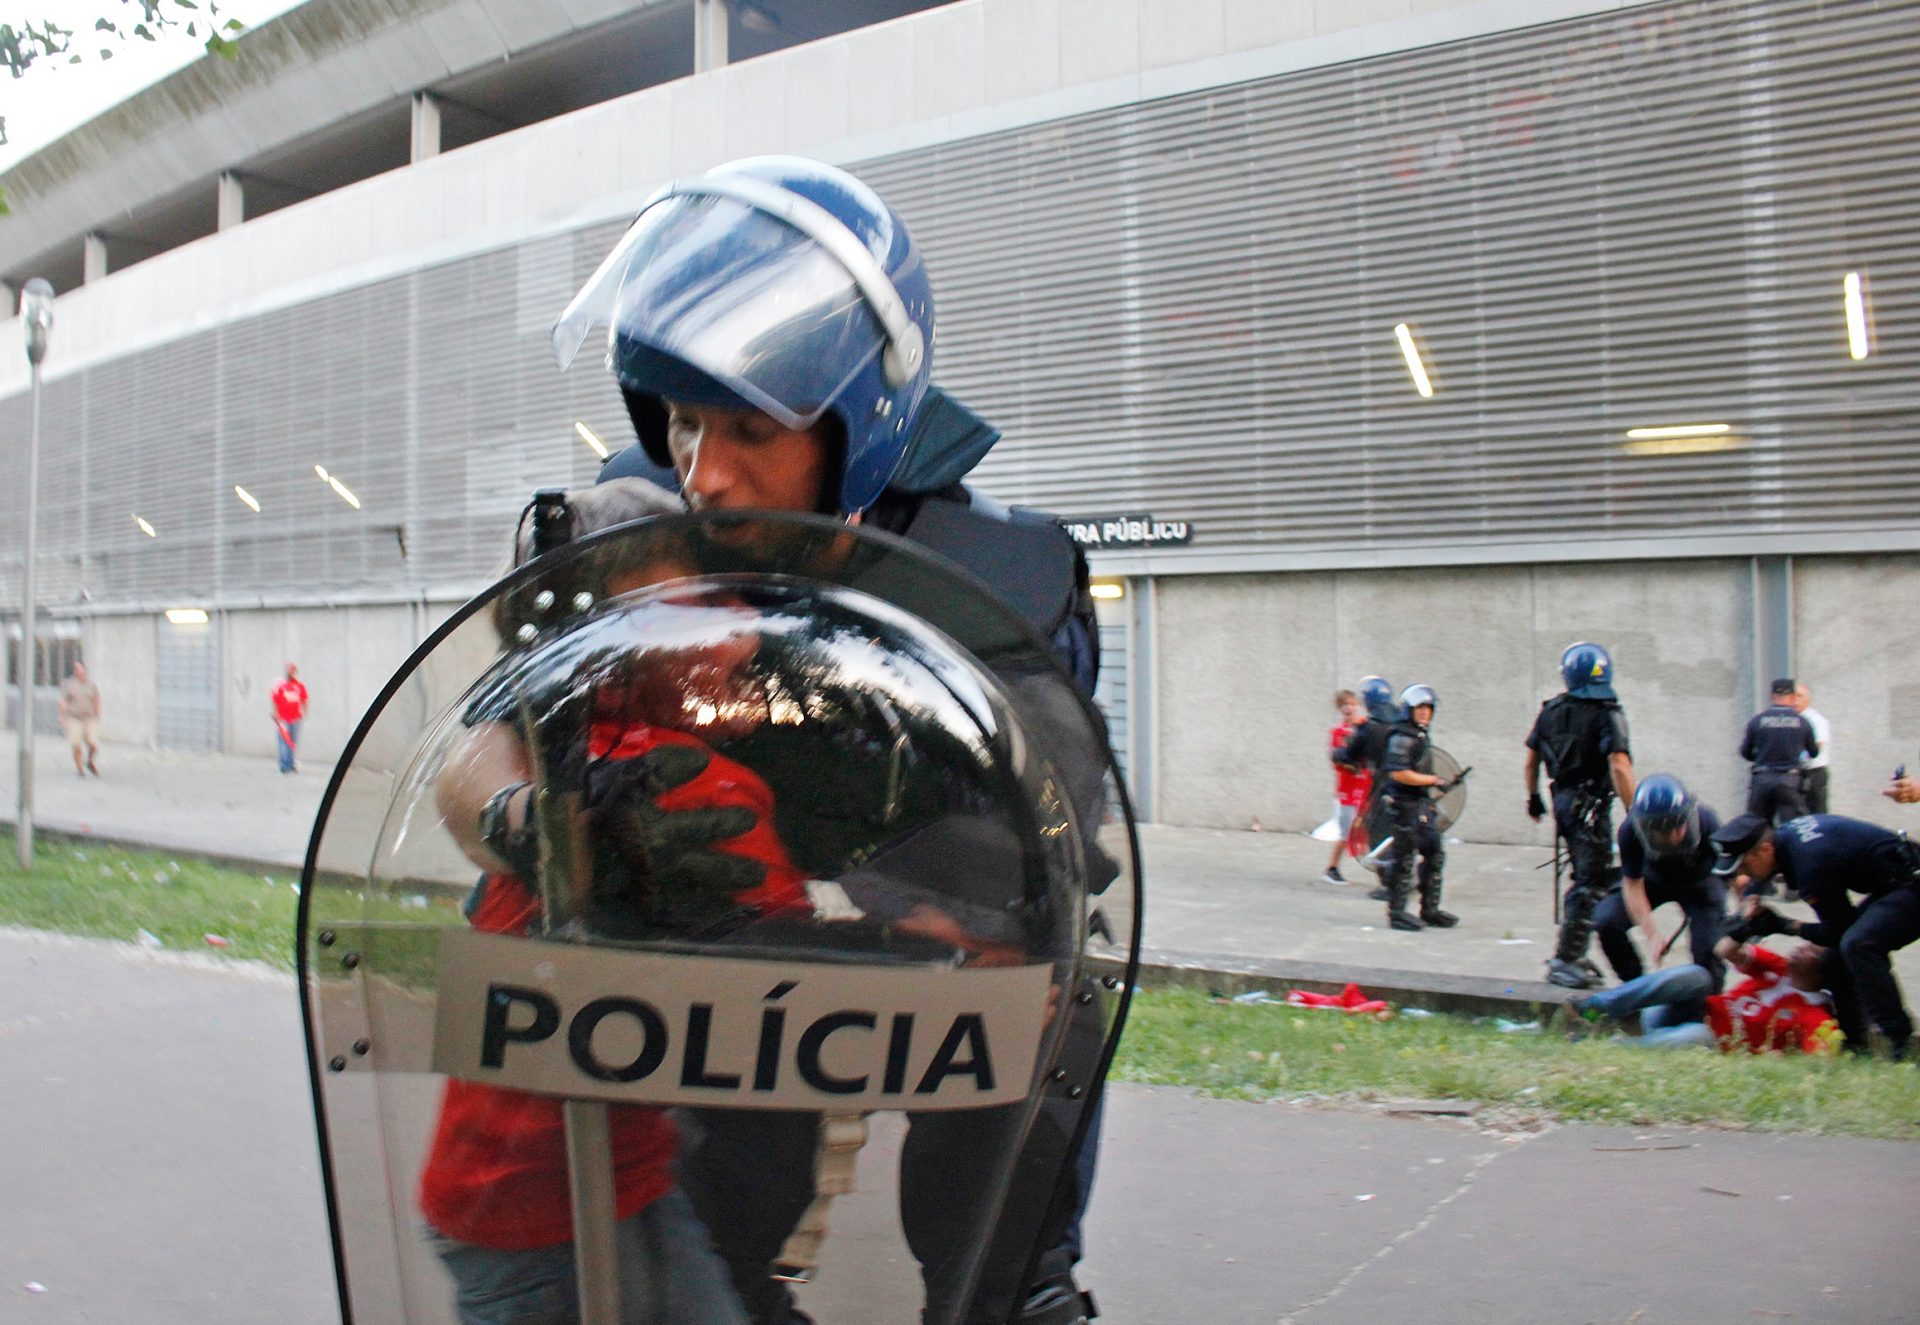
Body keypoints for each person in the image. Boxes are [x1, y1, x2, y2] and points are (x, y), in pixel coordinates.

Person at [539, 156, 1111, 1325]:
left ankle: (1010, 1286)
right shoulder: (623, 542)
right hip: (708, 977)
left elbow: (1055, 842)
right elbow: (486, 746)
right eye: (686, 422)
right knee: (708, 1259)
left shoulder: (1002, 579)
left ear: (863, 422)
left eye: (754, 425)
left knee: (1042, 1047)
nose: (709, 471)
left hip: (942, 971)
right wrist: (545, 820)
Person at [1711, 812, 1920, 1058]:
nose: (1743, 874)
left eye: (1744, 865)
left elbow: (1838, 932)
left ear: (1765, 850)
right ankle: (1857, 1043)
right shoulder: (1786, 839)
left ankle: (1900, 1042)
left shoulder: (1809, 866)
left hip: (1910, 883)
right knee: (1834, 959)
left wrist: (1784, 925)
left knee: (1857, 944)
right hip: (1898, 881)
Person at [1525, 641, 1636, 989]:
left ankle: (1575, 950)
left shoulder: (1551, 710)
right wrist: (1635, 813)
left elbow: (1531, 760)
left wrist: (1533, 798)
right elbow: (1619, 765)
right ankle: (1566, 958)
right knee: (1590, 882)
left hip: (1564, 800)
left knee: (1591, 877)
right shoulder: (1608, 713)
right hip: (1591, 805)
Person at [1565, 932, 1836, 1053]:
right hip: (1691, 1012)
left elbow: (1818, 1062)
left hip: (1713, 1041)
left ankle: (1607, 1048)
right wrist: (1745, 926)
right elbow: (1725, 952)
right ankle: (1596, 1007)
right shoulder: (1778, 967)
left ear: (1822, 971)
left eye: (1812, 950)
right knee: (1699, 975)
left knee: (1701, 1036)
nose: (1800, 948)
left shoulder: (1816, 1016)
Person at [1592, 773, 1728, 987]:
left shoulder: (1706, 819)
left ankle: (1708, 1004)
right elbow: (1633, 886)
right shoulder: (1629, 831)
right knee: (1606, 920)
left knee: (1708, 950)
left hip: (1701, 884)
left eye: (1679, 826)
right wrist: (1652, 934)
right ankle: (1634, 987)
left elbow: (1733, 866)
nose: (1674, 836)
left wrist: (1746, 902)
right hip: (1654, 878)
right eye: (1663, 831)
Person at [1377, 684, 1456, 931]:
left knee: (1434, 853)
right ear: (1409, 710)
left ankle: (1429, 909)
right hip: (1405, 806)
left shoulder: (1419, 735)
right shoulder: (1402, 736)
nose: (1424, 713)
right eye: (1419, 708)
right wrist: (1431, 780)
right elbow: (1398, 773)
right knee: (1404, 859)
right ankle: (1397, 913)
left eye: (1428, 708)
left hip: (1420, 805)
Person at [1335, 676, 1395, 901]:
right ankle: (1408, 878)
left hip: (1383, 786)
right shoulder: (1401, 720)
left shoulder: (1368, 728)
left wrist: (1340, 753)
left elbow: (1349, 755)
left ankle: (1390, 884)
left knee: (1378, 832)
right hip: (1407, 786)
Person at [1740, 678, 1817, 824]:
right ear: (1793, 697)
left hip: (1762, 779)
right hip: (1790, 781)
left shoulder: (1757, 721)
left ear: (1772, 696)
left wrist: (1761, 756)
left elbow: (1745, 753)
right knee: (1793, 827)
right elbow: (1813, 752)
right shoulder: (1802, 722)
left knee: (1757, 828)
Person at [1318, 688, 1368, 884]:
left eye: (1351, 704)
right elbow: (1337, 759)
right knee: (1346, 831)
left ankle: (1383, 871)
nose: (1348, 708)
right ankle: (1332, 868)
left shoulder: (1364, 728)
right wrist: (1350, 763)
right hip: (1347, 789)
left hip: (1365, 787)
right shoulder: (1338, 732)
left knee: (1370, 828)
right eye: (1344, 705)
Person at [1792, 682, 1832, 814]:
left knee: (1816, 812)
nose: (1795, 700)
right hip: (1798, 773)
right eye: (1793, 696)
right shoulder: (1793, 720)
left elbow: (1817, 746)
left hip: (1813, 772)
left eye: (1799, 696)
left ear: (1808, 699)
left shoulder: (1815, 719)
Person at [57, 660, 101, 777]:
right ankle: (80, 768)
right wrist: (62, 716)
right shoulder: (70, 684)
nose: (78, 671)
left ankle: (90, 761)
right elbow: (63, 701)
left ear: (84, 670)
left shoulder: (91, 685)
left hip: (89, 718)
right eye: (76, 669)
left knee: (93, 743)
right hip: (74, 717)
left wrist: (97, 713)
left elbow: (96, 698)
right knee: (76, 744)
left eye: (80, 668)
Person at [271, 662, 308, 774]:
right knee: (284, 741)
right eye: (289, 670)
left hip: (295, 719)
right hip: (283, 719)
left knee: (292, 742)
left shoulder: (299, 686)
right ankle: (284, 764)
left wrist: (304, 713)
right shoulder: (281, 686)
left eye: (293, 670)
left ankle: (290, 763)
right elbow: (276, 701)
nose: (291, 672)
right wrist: (276, 715)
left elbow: (304, 700)